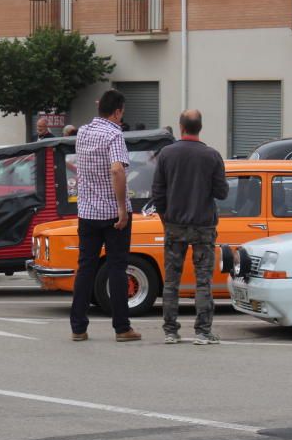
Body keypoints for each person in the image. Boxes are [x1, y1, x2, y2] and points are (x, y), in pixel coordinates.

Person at [69, 89, 141, 343]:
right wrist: (122, 208)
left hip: (87, 212)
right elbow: (117, 170)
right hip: (111, 213)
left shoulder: (84, 132)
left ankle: (78, 326)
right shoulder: (114, 134)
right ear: (118, 111)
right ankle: (121, 327)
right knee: (117, 268)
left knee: (86, 267)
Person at [151, 110, 228, 346]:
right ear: (200, 127)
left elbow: (157, 192)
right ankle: (203, 331)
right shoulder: (212, 156)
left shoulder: (167, 154)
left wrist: (166, 220)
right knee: (203, 280)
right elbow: (222, 193)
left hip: (174, 225)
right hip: (203, 226)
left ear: (181, 126)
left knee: (172, 281)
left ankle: (170, 331)